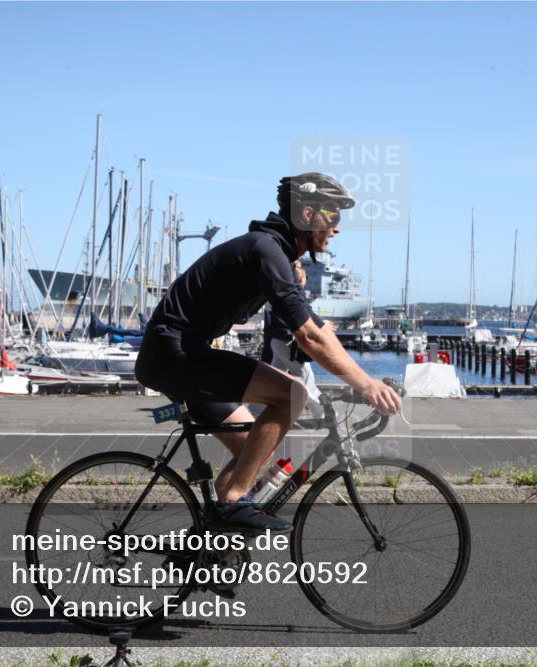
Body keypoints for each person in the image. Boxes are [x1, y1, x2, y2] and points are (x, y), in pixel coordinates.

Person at [135, 172, 401, 533]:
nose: (337, 227)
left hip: (180, 353)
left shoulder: (276, 255)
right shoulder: (266, 251)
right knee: (291, 394)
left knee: (254, 448)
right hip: (174, 354)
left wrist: (364, 379)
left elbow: (317, 326)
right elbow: (308, 337)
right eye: (333, 214)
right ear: (307, 215)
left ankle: (214, 539)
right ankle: (233, 502)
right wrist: (367, 385)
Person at [260, 260, 324, 424]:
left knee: (272, 379)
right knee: (306, 378)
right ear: (300, 279)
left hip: (277, 341)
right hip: (287, 342)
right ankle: (323, 414)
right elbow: (299, 317)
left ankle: (255, 410)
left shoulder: (275, 294)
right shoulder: (292, 296)